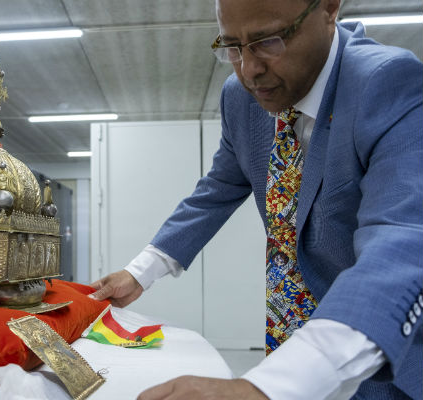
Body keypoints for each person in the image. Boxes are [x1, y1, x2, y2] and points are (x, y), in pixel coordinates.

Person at [89, 0, 422, 398]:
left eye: (268, 41)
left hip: (378, 340)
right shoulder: (241, 98)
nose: (249, 70)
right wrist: (141, 271)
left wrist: (262, 388)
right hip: (289, 334)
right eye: (232, 46)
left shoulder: (387, 82)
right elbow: (216, 191)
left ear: (330, 8)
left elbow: (403, 239)